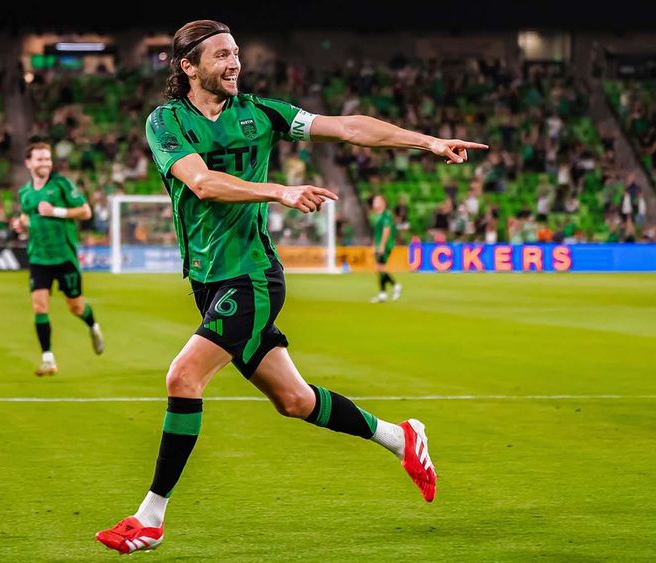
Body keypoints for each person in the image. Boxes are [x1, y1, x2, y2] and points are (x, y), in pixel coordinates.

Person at [95, 20, 488, 555]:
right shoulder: (166, 122)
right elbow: (202, 182)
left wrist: (428, 141)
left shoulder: (262, 113)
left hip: (253, 277)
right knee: (295, 401)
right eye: (220, 56)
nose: (234, 63)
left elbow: (349, 127)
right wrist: (278, 189)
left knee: (183, 378)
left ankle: (150, 518)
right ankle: (401, 437)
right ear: (188, 67)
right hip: (210, 282)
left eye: (236, 53)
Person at [12, 142, 104, 376]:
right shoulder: (25, 192)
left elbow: (85, 211)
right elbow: (28, 217)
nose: (45, 163)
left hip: (64, 257)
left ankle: (93, 326)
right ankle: (48, 359)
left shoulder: (62, 185)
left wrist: (56, 211)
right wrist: (21, 224)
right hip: (39, 258)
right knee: (39, 306)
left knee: (76, 307)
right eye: (40, 159)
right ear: (29, 163)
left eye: (48, 158)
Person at [369, 194, 401, 302]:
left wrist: (382, 245)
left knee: (380, 268)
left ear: (383, 202)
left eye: (377, 200)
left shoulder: (386, 214)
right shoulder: (375, 215)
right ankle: (389, 289)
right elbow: (376, 232)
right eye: (374, 200)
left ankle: (389, 289)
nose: (375, 202)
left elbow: (386, 230)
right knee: (379, 269)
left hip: (386, 245)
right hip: (379, 245)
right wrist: (374, 244)